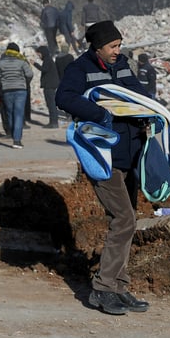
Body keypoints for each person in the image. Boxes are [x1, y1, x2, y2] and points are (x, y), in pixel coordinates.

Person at [54, 19, 151, 316]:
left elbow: (137, 94)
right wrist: (99, 113)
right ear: (97, 47)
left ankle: (119, 286)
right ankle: (103, 288)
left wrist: (151, 110)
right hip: (103, 155)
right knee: (123, 218)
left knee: (129, 219)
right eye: (113, 46)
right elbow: (63, 98)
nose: (117, 50)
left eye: (119, 45)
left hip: (130, 153)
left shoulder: (121, 65)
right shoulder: (80, 69)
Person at [0, 42, 33, 149]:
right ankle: (17, 140)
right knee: (18, 114)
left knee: (10, 113)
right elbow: (29, 74)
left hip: (6, 90)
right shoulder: (22, 62)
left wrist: (3, 82)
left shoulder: (0, 62)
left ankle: (12, 133)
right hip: (21, 90)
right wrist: (24, 81)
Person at [34, 45, 62, 129]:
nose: (39, 56)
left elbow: (44, 69)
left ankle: (53, 122)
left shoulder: (47, 60)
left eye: (39, 54)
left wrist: (35, 64)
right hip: (51, 85)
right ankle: (52, 122)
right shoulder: (48, 59)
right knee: (51, 104)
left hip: (49, 85)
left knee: (51, 104)